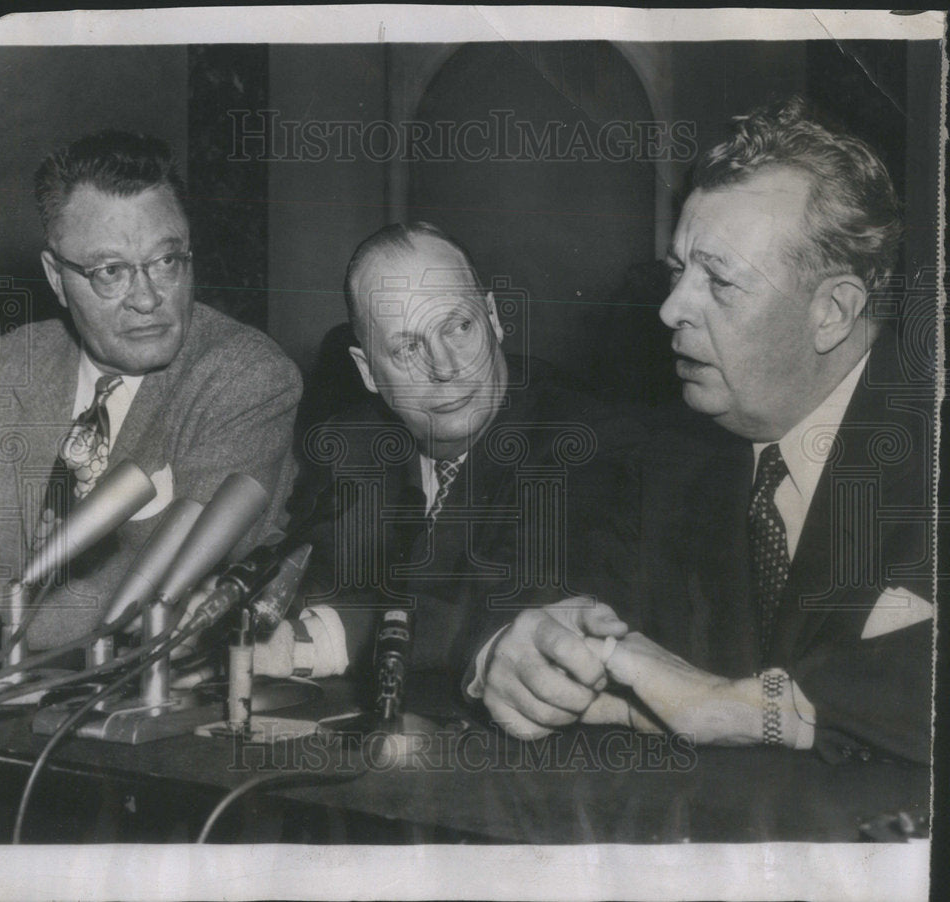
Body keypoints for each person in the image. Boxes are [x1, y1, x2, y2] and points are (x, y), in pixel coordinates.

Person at [485, 97, 933, 763]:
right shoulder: (668, 456)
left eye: (718, 282)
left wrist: (756, 710)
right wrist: (518, 651)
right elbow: (531, 587)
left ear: (833, 311)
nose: (669, 309)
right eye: (677, 271)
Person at [254, 222, 643, 705]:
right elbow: (312, 577)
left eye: (459, 326)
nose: (445, 367)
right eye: (407, 348)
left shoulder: (582, 437)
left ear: (495, 319)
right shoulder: (350, 443)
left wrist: (316, 640)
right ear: (368, 371)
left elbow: (519, 611)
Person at [0, 131, 302, 652]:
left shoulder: (245, 376)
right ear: (57, 278)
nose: (148, 298)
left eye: (167, 261)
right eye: (111, 272)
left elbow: (143, 594)